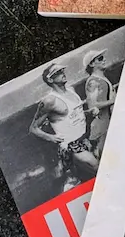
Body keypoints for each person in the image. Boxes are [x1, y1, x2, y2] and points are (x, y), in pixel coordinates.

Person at [28, 62, 97, 192]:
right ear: (50, 79)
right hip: (71, 145)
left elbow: (74, 115)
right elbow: (33, 129)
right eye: (58, 73)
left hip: (86, 137)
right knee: (96, 166)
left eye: (62, 71)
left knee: (91, 176)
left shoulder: (71, 90)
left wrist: (90, 112)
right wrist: (51, 138)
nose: (62, 73)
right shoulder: (49, 101)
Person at [82, 50, 116, 158]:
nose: (104, 59)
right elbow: (92, 105)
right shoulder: (93, 82)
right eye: (100, 58)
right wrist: (115, 100)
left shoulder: (100, 78)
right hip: (103, 128)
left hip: (108, 124)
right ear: (91, 64)